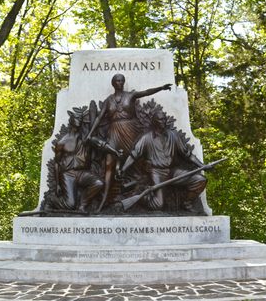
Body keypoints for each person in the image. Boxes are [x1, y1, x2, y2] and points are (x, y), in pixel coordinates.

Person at [86, 74, 172, 211]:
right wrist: (90, 134)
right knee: (109, 163)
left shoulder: (130, 95)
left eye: (121, 80)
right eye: (117, 81)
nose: (119, 83)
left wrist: (161, 88)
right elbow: (99, 117)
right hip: (114, 132)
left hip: (130, 130)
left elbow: (146, 92)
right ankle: (104, 199)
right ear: (113, 83)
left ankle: (141, 195)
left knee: (134, 161)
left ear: (124, 83)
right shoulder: (109, 100)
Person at [118, 108, 207, 212]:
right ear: (154, 122)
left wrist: (202, 165)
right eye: (160, 120)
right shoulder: (146, 138)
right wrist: (123, 169)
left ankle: (187, 202)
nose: (163, 122)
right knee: (159, 205)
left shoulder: (173, 135)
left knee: (200, 180)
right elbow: (134, 155)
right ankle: (140, 196)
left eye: (164, 119)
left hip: (173, 172)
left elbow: (188, 155)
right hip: (157, 173)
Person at [53, 109, 103, 212]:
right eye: (76, 118)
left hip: (81, 173)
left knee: (98, 183)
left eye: (80, 118)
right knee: (70, 205)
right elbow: (57, 163)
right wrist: (58, 184)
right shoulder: (62, 142)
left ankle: (82, 206)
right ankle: (51, 200)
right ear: (71, 120)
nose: (79, 120)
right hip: (68, 174)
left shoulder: (84, 137)